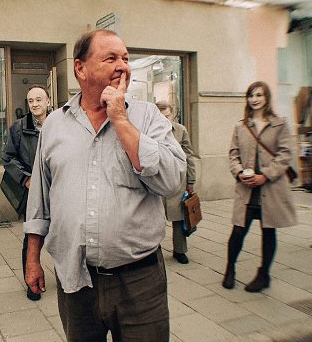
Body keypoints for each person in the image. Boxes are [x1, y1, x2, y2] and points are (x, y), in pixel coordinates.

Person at [24, 29, 186, 341]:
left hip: (139, 281)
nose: (122, 65)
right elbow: (40, 200)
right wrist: (33, 260)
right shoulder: (55, 124)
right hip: (75, 280)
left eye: (125, 58)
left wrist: (121, 120)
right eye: (110, 58)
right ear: (80, 68)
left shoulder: (148, 116)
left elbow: (172, 181)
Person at [223, 81, 297, 292]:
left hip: (270, 188)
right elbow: (233, 154)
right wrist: (239, 172)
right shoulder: (241, 126)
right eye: (251, 95)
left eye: (259, 95)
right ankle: (230, 269)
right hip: (247, 188)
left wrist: (265, 175)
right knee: (239, 230)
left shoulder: (279, 124)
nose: (254, 99)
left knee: (268, 231)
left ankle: (264, 274)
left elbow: (285, 154)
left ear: (267, 98)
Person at [2, 85, 50, 301]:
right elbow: (8, 158)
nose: (35, 104)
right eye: (31, 101)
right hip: (33, 192)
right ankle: (32, 284)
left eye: (39, 100)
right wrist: (26, 179)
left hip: (57, 189)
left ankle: (67, 280)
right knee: (32, 236)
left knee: (64, 235)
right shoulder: (18, 128)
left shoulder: (59, 124)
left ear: (48, 101)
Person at [156, 101, 197, 264]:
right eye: (161, 116)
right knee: (154, 218)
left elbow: (189, 156)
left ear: (172, 115)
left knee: (179, 217)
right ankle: (153, 250)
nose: (165, 119)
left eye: (167, 116)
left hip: (177, 180)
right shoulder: (149, 129)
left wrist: (191, 181)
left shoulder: (180, 130)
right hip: (156, 180)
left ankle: (179, 250)